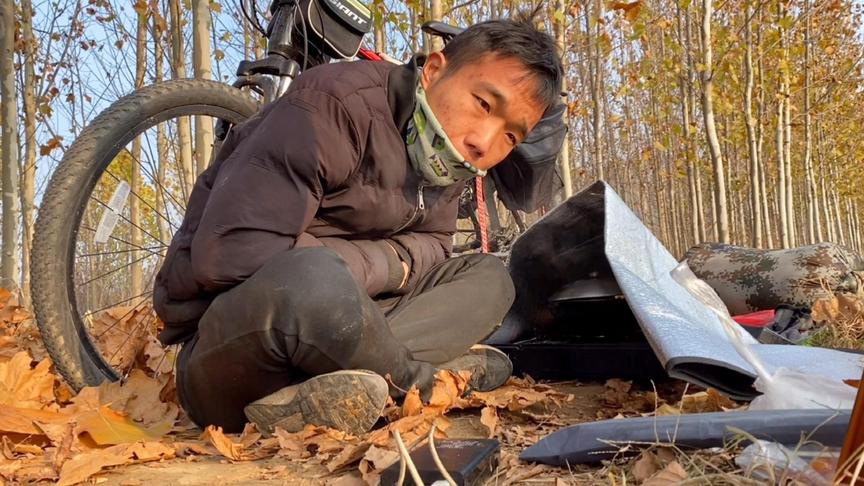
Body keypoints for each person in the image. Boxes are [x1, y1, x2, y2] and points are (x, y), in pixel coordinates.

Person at [152, 18, 563, 435]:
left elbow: (436, 247)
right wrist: (377, 267)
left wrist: (367, 273)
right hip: (234, 345)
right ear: (435, 70)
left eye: (511, 136)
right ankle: (423, 382)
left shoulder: (447, 161)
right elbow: (232, 254)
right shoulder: (331, 105)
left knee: (490, 277)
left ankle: (339, 389)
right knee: (312, 278)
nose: (485, 142)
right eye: (484, 104)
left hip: (351, 324)